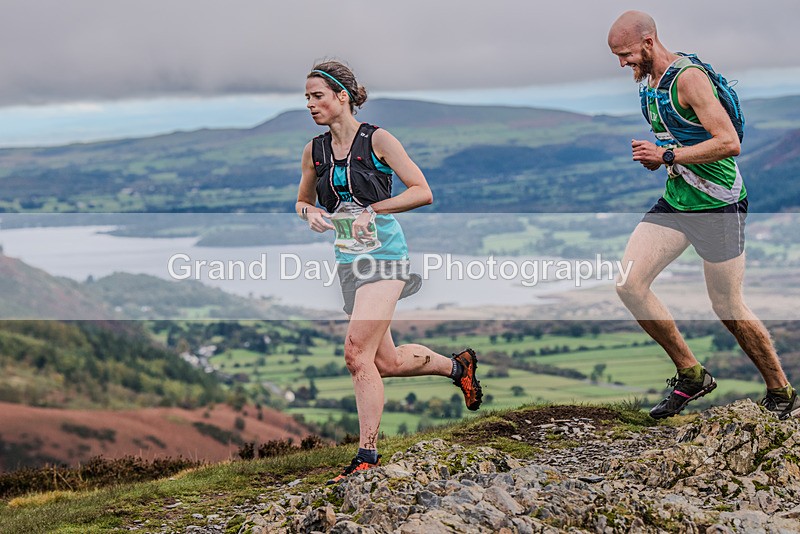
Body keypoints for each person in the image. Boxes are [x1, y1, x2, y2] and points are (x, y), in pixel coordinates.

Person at [295, 60, 483, 484]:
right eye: (306, 97)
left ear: (343, 96)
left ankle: (367, 456)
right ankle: (459, 368)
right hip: (348, 262)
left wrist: (371, 210)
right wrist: (309, 214)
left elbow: (423, 191)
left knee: (356, 354)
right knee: (388, 361)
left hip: (386, 257)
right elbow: (303, 200)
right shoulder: (314, 151)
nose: (310, 104)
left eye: (317, 95)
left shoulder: (377, 140)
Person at [607, 11, 799, 420]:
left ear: (648, 41)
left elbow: (729, 142)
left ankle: (780, 391)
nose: (622, 63)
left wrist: (667, 155)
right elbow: (676, 141)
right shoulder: (649, 84)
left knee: (728, 306)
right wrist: (662, 161)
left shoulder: (689, 78)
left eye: (625, 54)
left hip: (718, 206)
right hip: (678, 202)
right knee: (629, 283)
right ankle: (691, 374)